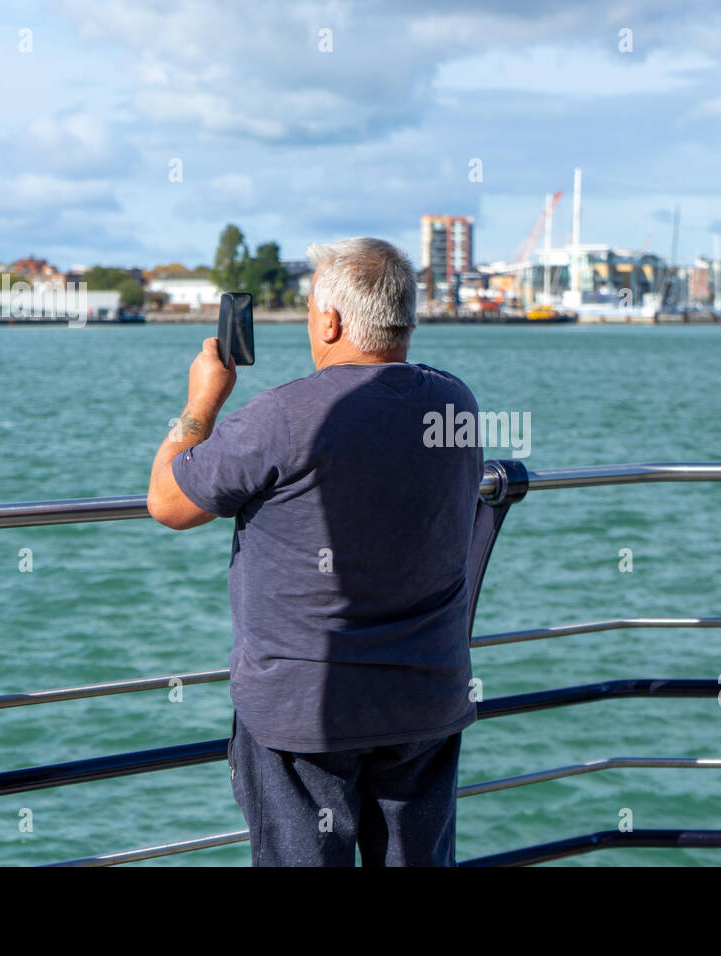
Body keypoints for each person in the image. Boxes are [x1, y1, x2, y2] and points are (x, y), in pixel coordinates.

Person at [146, 237, 483, 866]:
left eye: (308, 310)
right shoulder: (456, 403)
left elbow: (167, 501)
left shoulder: (283, 414)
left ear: (330, 320)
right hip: (426, 696)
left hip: (307, 710)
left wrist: (204, 399)